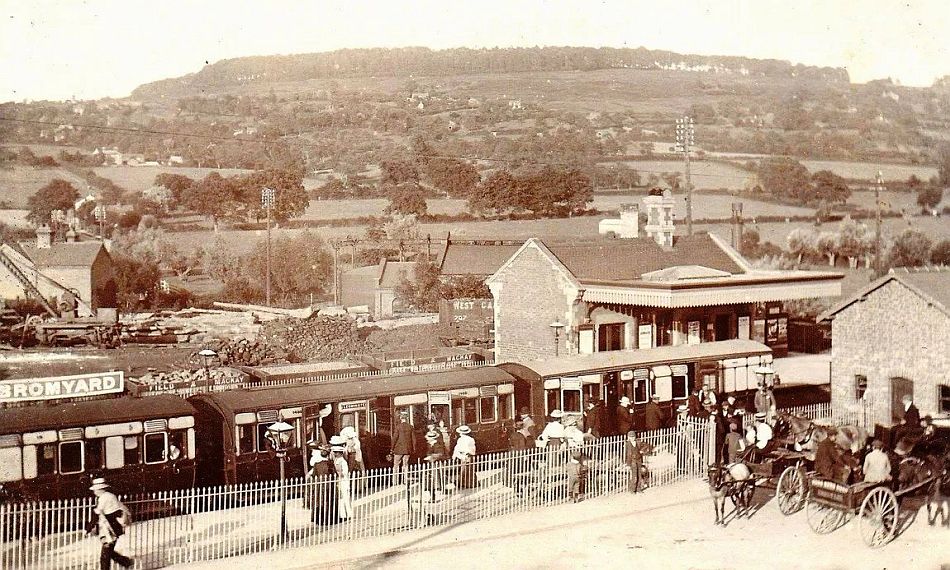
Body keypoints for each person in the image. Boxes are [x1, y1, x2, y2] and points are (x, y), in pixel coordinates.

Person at [87, 478, 133, 570]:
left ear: (100, 489)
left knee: (105, 555)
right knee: (108, 552)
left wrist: (88, 528)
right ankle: (126, 562)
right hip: (112, 527)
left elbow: (97, 514)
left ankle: (125, 562)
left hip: (110, 528)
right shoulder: (108, 496)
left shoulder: (105, 498)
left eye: (95, 489)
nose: (94, 491)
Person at [308, 445, 338, 525]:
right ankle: (329, 519)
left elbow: (314, 475)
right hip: (329, 485)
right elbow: (335, 474)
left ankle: (319, 519)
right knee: (328, 501)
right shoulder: (330, 464)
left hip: (319, 485)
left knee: (319, 501)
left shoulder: (317, 464)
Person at [391, 412, 414, 485]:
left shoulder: (398, 427)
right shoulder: (410, 427)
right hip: (407, 450)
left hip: (398, 450)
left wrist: (392, 448)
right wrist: (413, 449)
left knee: (396, 465)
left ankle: (395, 481)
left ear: (401, 418)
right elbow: (414, 439)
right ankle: (405, 480)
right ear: (406, 418)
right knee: (405, 465)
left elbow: (394, 438)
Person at [423, 430, 446, 500]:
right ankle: (432, 492)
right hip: (430, 464)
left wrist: (432, 457)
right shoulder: (429, 445)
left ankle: (439, 491)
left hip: (436, 464)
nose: (427, 440)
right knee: (431, 478)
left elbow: (440, 454)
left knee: (437, 478)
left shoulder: (437, 445)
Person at [331, 444, 353, 520]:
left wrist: (338, 472)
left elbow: (345, 473)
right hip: (338, 481)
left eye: (336, 452)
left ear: (340, 453)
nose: (335, 454)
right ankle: (342, 515)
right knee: (340, 499)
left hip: (343, 482)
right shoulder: (336, 460)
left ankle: (349, 514)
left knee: (345, 498)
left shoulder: (343, 461)